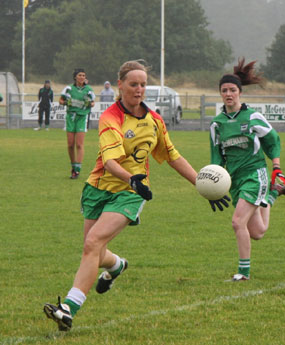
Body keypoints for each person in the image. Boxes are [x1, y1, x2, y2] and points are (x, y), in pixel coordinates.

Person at [43, 60, 225, 332]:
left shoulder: (154, 121)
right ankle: (116, 266)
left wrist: (201, 184)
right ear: (120, 85)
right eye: (133, 84)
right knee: (93, 250)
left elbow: (172, 156)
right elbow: (110, 160)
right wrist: (130, 177)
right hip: (99, 188)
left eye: (143, 84)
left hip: (131, 193)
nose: (139, 89)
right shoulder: (110, 117)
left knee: (93, 243)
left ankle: (69, 308)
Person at [210, 58, 285, 282]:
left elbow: (273, 141)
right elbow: (216, 158)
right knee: (257, 233)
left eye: (232, 90)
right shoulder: (217, 124)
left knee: (237, 222)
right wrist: (213, 187)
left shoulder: (253, 117)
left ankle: (243, 273)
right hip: (234, 180)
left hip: (256, 175)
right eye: (224, 90)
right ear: (220, 94)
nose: (228, 94)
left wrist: (276, 167)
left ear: (240, 93)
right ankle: (273, 194)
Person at [60, 69, 95, 179]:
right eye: (80, 75)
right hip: (71, 117)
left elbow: (93, 102)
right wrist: (66, 102)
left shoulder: (88, 90)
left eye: (84, 75)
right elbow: (60, 100)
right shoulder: (69, 88)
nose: (82, 77)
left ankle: (77, 170)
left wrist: (89, 103)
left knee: (79, 144)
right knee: (70, 144)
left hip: (82, 117)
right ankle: (73, 165)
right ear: (75, 77)